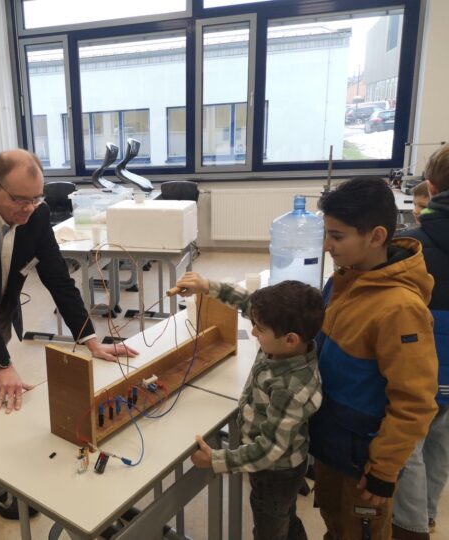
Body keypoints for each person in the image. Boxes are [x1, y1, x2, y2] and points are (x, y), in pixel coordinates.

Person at [0, 148, 138, 520]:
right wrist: (2, 364)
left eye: (36, 198)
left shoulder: (36, 215)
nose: (30, 208)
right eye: (20, 199)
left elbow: (58, 279)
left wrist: (90, 339)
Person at [308, 177, 439, 539]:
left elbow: (415, 402)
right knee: (336, 522)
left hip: (365, 461)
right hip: (334, 443)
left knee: (361, 530)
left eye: (337, 237)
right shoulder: (345, 280)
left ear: (376, 236)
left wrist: (383, 470)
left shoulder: (400, 309)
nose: (327, 246)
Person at [177, 276, 323, 540]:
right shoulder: (284, 347)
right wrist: (207, 286)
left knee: (270, 528)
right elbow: (248, 302)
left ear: (290, 339)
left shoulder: (290, 387)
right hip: (277, 464)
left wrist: (216, 460)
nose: (253, 332)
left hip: (276, 473)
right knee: (285, 516)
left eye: (259, 329)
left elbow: (268, 450)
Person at [392, 145, 449, 539]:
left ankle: (410, 527)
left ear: (429, 187)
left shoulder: (410, 247)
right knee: (441, 441)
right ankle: (427, 514)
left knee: (410, 442)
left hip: (422, 355)